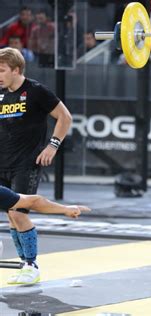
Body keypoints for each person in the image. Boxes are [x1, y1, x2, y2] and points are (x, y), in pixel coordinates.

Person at [0, 47, 73, 285]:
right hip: (3, 162)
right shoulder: (0, 94)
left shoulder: (36, 91)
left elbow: (65, 117)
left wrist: (52, 146)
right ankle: (24, 264)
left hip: (27, 162)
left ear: (16, 70)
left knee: (17, 212)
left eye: (1, 70)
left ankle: (31, 264)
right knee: (11, 216)